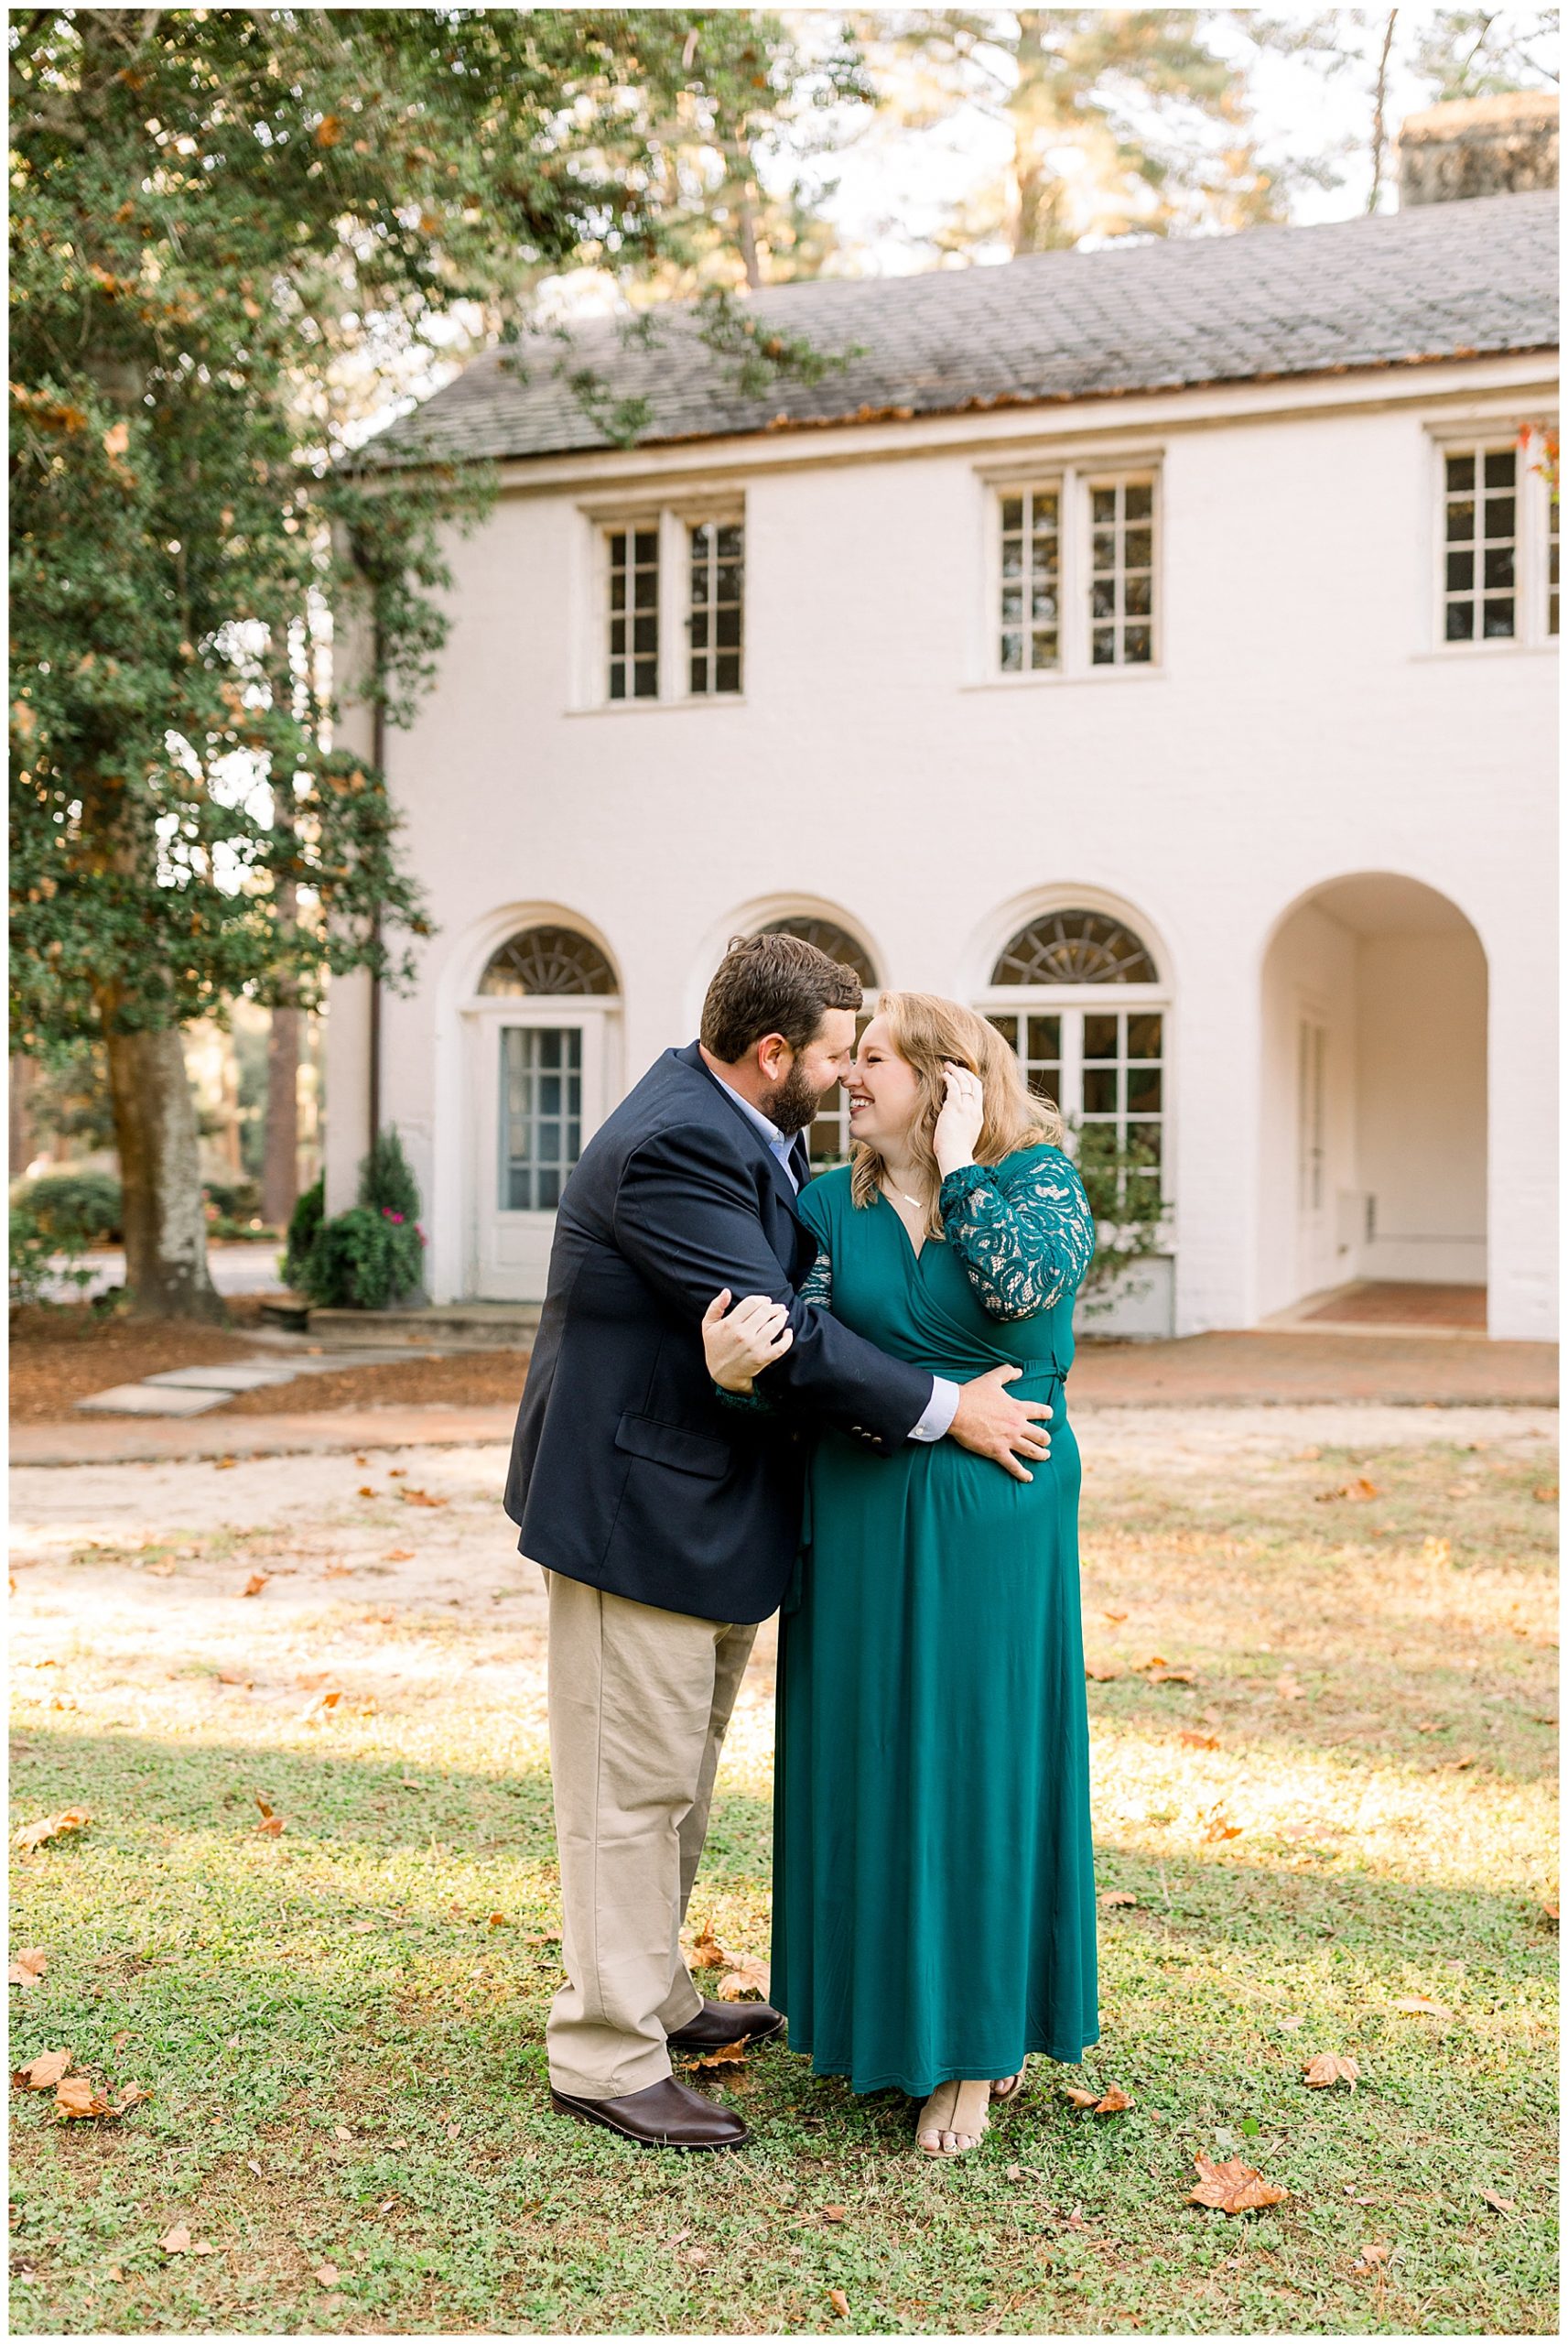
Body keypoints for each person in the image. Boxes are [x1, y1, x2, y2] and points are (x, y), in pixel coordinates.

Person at [503, 935, 1054, 2152]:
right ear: (772, 1055)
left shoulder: (746, 1130)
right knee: (624, 1790)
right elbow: (781, 1335)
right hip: (631, 1516)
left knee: (673, 1780)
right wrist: (949, 1406)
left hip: (699, 1510)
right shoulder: (679, 1143)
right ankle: (604, 2051)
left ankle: (655, 1998)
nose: (849, 1073)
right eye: (833, 1052)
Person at [702, 992, 1099, 2155]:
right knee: (874, 1754)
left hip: (1000, 1508)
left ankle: (978, 2045)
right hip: (869, 1496)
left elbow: (1023, 1289)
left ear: (947, 1078)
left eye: (872, 1061)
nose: (847, 1079)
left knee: (978, 1756)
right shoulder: (829, 1203)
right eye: (851, 1059)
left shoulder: (1035, 1183)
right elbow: (808, 1354)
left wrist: (966, 1165)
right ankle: (883, 2019)